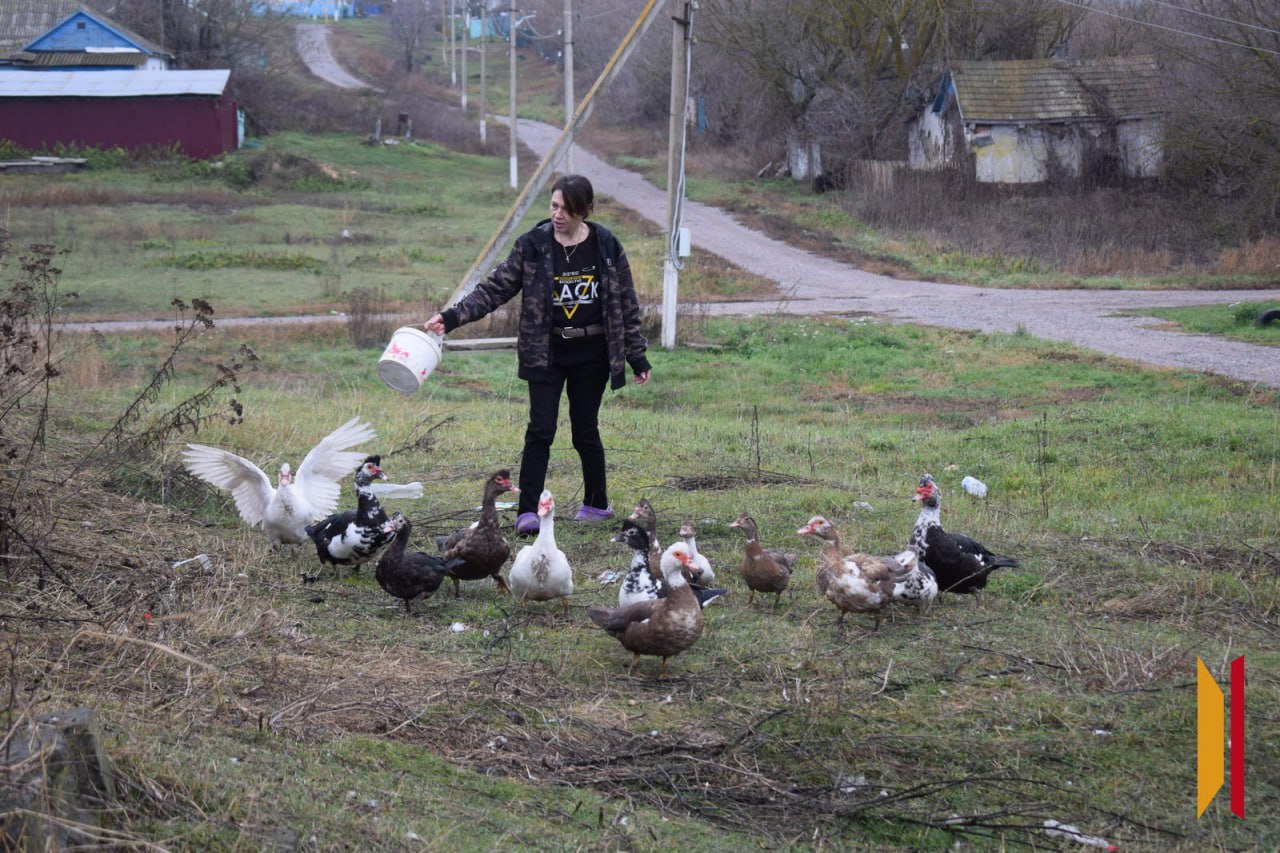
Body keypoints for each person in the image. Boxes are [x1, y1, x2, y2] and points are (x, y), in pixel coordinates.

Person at [425, 174, 651, 535]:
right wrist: (451, 318)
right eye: (554, 205)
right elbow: (494, 289)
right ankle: (527, 512)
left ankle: (595, 504)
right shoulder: (533, 245)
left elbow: (626, 304)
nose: (558, 214)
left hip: (591, 354)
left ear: (585, 210)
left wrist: (636, 356)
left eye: (567, 208)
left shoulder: (606, 245)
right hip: (545, 351)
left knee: (585, 429)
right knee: (540, 429)